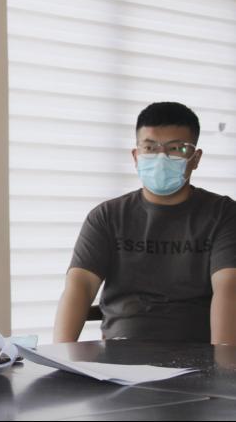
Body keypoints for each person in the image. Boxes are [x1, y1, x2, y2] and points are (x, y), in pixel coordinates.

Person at [53, 102, 236, 345]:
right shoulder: (107, 216)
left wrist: (222, 362)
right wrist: (61, 356)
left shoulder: (223, 214)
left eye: (176, 148)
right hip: (120, 351)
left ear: (195, 158)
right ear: (136, 156)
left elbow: (229, 288)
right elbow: (81, 285)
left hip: (197, 351)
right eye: (150, 147)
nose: (161, 158)